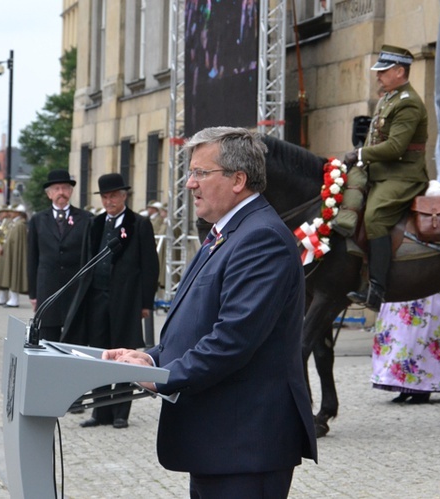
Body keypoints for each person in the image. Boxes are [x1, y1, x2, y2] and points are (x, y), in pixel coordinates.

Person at [101, 127, 317, 498]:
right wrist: (150, 357)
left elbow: (233, 339)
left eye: (201, 173)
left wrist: (163, 376)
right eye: (191, 173)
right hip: (221, 443)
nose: (190, 184)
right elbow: (198, 324)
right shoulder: (228, 231)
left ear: (238, 180)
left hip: (245, 445)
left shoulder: (260, 238)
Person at [62, 173, 159, 429]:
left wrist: (145, 302)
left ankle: (120, 412)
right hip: (97, 298)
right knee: (100, 354)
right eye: (105, 197)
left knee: (125, 354)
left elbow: (150, 266)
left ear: (124, 196)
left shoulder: (139, 224)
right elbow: (86, 262)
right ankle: (100, 412)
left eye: (113, 196)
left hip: (126, 301)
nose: (109, 201)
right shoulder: (94, 224)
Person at [339, 45, 429, 310]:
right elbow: (373, 138)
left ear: (400, 72)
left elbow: (395, 147)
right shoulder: (387, 98)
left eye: (384, 71)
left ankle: (377, 289)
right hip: (380, 172)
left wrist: (359, 154)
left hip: (403, 177)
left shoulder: (408, 103)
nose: (378, 76)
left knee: (375, 215)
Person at [27, 170, 93, 341]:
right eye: (56, 189)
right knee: (47, 339)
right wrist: (33, 293)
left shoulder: (86, 218)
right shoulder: (38, 220)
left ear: (71, 192)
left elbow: (90, 256)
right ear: (49, 194)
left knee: (75, 340)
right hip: (47, 288)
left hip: (75, 288)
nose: (61, 192)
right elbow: (32, 257)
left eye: (65, 188)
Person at [371, 291, 440, 404]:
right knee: (402, 338)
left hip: (428, 289)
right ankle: (406, 386)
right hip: (403, 290)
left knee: (422, 338)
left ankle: (422, 389)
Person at [2, 204, 29, 308]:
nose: (10, 213)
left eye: (12, 211)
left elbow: (18, 243)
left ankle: (14, 299)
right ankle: (12, 298)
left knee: (15, 274)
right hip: (12, 252)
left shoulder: (19, 225)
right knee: (11, 274)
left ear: (18, 213)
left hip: (15, 253)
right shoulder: (15, 224)